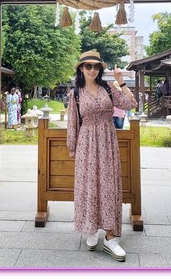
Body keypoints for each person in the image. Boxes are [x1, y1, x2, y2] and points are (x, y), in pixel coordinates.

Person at [66, 50, 137, 262]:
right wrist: (73, 148)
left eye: (96, 67)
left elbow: (130, 104)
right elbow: (72, 123)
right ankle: (90, 229)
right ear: (81, 68)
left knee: (108, 186)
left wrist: (121, 82)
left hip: (107, 142)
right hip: (86, 143)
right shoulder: (76, 94)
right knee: (89, 186)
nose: (92, 70)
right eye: (88, 66)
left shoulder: (108, 88)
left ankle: (110, 236)